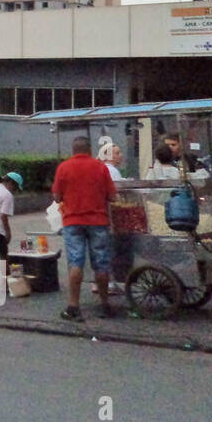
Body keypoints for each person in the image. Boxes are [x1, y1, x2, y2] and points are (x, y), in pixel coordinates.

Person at [52, 136, 117, 321]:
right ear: (89, 150)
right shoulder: (101, 167)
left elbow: (57, 196)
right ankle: (105, 304)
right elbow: (112, 196)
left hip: (73, 221)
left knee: (75, 262)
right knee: (101, 263)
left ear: (73, 150)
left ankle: (73, 306)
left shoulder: (63, 167)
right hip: (98, 221)